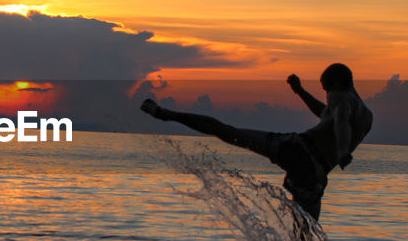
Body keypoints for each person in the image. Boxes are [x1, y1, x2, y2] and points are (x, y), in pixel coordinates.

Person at [140, 63, 373, 220]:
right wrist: (300, 91)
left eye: (325, 89)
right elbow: (329, 116)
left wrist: (343, 151)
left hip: (298, 150)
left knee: (227, 131)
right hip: (316, 175)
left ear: (335, 83)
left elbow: (340, 121)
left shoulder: (339, 96)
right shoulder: (365, 115)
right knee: (306, 231)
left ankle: (165, 114)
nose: (326, 95)